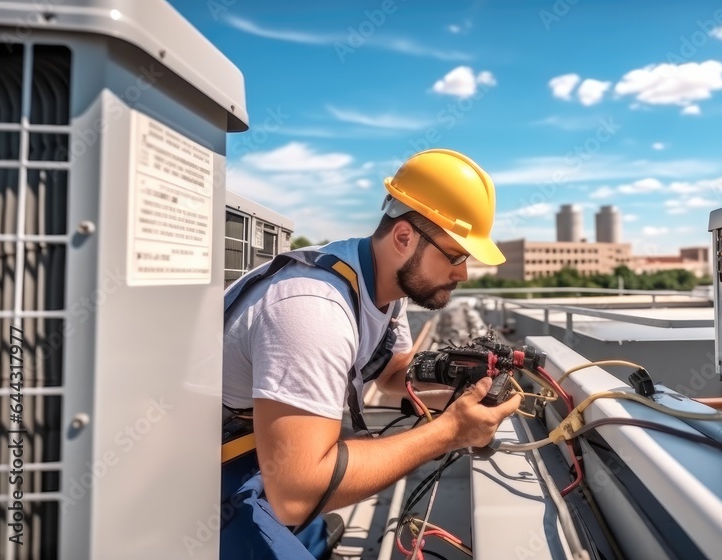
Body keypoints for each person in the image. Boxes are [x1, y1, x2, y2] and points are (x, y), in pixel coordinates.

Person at [219, 149, 521, 559]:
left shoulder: (380, 286)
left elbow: (393, 374)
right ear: (403, 238)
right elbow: (295, 491)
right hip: (205, 468)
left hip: (265, 449)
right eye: (455, 256)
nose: (463, 273)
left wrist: (461, 401)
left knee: (304, 525)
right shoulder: (313, 308)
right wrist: (449, 432)